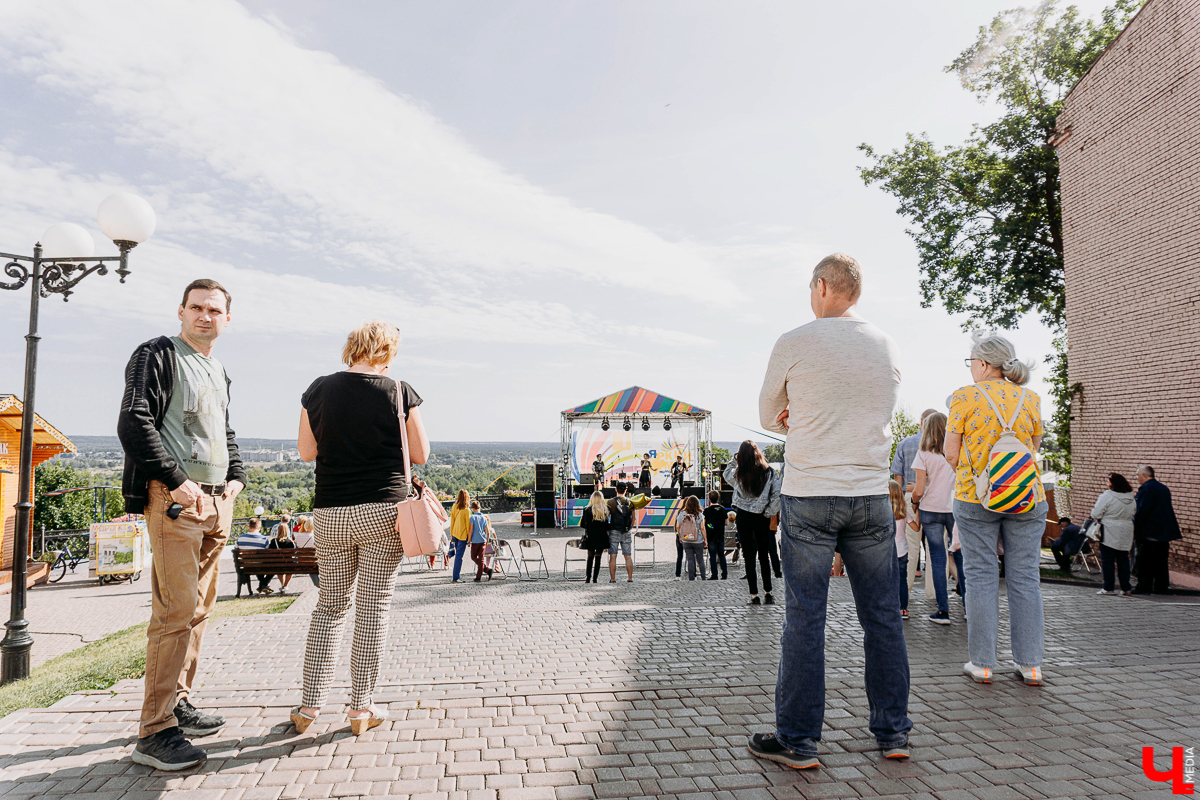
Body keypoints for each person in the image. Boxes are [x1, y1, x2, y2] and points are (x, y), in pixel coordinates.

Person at [753, 253, 911, 767]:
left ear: (821, 286)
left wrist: (796, 416)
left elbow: (767, 414)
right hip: (870, 496)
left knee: (805, 619)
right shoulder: (886, 344)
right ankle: (893, 734)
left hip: (810, 495)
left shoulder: (794, 341)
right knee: (882, 619)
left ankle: (798, 741)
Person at [117, 278, 247, 770]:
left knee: (198, 611)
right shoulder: (157, 354)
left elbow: (222, 429)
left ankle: (178, 703)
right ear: (181, 311)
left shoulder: (217, 368)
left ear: (227, 319)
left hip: (216, 502)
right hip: (175, 501)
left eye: (214, 310)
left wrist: (236, 476)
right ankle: (154, 732)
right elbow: (134, 421)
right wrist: (175, 480)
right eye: (196, 308)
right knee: (174, 613)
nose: (204, 316)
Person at [291, 320, 430, 737]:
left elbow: (306, 452)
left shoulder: (318, 389)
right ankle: (360, 707)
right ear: (387, 352)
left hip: (331, 512)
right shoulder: (398, 391)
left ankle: (309, 706)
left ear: (352, 347)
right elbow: (420, 453)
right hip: (382, 512)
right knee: (372, 611)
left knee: (330, 608)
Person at [946, 330, 1047, 686]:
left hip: (976, 497)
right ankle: (1031, 665)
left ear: (984, 363)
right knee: (1025, 577)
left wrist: (980, 473)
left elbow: (952, 454)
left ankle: (983, 663)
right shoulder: (1030, 398)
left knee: (980, 577)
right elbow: (1033, 448)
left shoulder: (964, 397)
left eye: (971, 361)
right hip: (1026, 495)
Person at [723, 441, 781, 606]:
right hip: (762, 517)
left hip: (743, 517)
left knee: (749, 557)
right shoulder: (769, 472)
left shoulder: (739, 473)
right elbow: (777, 494)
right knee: (764, 556)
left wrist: (734, 459)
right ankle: (768, 593)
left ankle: (754, 595)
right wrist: (768, 512)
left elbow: (726, 474)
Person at [911, 412, 955, 625]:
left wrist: (914, 501)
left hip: (930, 509)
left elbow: (919, 489)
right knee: (960, 556)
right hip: (954, 508)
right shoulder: (956, 452)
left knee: (937, 559)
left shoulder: (923, 454)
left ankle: (943, 611)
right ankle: (969, 608)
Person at [892, 408, 939, 595]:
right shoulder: (941, 446)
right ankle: (933, 592)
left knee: (910, 547)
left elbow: (897, 478)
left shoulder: (904, 444)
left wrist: (899, 503)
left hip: (909, 498)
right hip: (935, 498)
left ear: (921, 422)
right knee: (935, 548)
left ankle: (905, 589)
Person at [1132, 466, 1180, 595]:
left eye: (1138, 475)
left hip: (1149, 531)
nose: (1137, 478)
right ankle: (1161, 586)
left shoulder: (1146, 489)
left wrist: (1135, 527)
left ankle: (1144, 586)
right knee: (1161, 561)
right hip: (1164, 532)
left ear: (1145, 475)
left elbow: (1142, 510)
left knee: (1145, 561)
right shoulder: (1163, 488)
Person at [1090, 473, 1136, 595]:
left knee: (1108, 559)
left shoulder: (1107, 496)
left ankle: (1108, 587)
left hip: (1109, 529)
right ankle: (1126, 588)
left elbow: (1096, 513)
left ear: (1112, 484)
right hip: (1126, 530)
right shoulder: (1131, 497)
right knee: (1123, 559)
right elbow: (1134, 512)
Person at [889, 480, 910, 620]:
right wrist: (917, 513)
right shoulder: (904, 513)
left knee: (889, 579)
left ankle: (892, 606)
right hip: (903, 550)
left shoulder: (885, 514)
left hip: (889, 551)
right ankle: (904, 608)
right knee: (902, 580)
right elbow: (916, 527)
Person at [578, 491, 610, 583]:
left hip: (591, 536)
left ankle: (588, 578)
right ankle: (595, 578)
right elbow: (606, 525)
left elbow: (582, 524)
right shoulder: (605, 509)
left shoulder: (587, 509)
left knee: (590, 556)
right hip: (602, 536)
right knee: (598, 557)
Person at [607, 481, 635, 582]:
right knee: (628, 556)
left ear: (616, 489)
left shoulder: (610, 502)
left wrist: (607, 530)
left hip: (614, 530)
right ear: (625, 490)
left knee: (613, 556)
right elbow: (633, 518)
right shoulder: (631, 502)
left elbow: (607, 517)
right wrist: (629, 528)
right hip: (626, 531)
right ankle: (630, 578)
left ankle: (613, 579)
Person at [676, 495, 707, 580]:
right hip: (698, 539)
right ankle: (703, 577)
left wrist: (680, 537)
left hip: (686, 539)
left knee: (690, 559)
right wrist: (705, 539)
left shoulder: (682, 513)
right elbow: (702, 528)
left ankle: (691, 578)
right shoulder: (700, 514)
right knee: (700, 559)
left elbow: (677, 526)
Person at [704, 490, 728, 580]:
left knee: (712, 555)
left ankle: (714, 575)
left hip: (711, 536)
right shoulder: (723, 509)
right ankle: (724, 574)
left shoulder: (707, 511)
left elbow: (704, 523)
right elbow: (726, 523)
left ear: (709, 499)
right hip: (720, 535)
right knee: (721, 555)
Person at [468, 500, 493, 582]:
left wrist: (469, 540)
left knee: (473, 557)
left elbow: (471, 530)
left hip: (475, 541)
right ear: (480, 507)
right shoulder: (484, 517)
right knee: (481, 558)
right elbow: (488, 530)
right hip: (483, 540)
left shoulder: (472, 517)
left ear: (472, 508)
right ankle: (485, 571)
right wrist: (487, 540)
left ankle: (481, 575)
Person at [268, 521, 297, 593]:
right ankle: (285, 585)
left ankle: (282, 584)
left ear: (278, 531)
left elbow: (270, 552)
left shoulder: (273, 541)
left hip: (278, 564)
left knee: (279, 567)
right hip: (288, 564)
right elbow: (293, 553)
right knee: (290, 568)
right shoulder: (289, 542)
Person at [449, 490, 471, 583]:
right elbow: (468, 526)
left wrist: (451, 535)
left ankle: (455, 576)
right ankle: (456, 577)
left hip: (455, 533)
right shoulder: (467, 510)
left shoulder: (454, 506)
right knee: (459, 557)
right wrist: (469, 540)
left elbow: (452, 521)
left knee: (458, 556)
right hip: (462, 536)